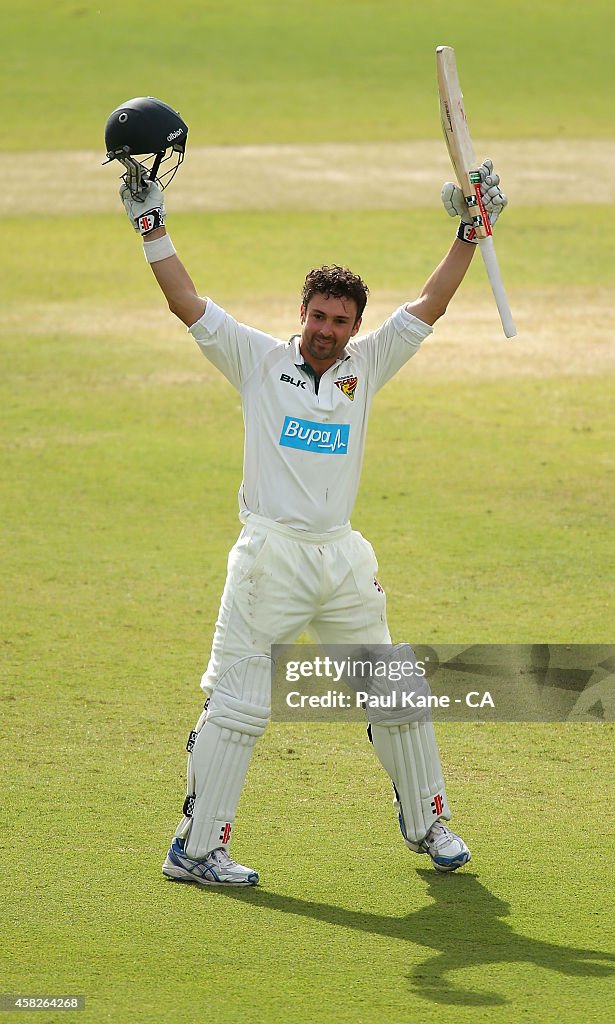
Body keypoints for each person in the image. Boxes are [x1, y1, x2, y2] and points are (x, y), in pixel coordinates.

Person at [116, 150, 507, 887]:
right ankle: (194, 850)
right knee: (236, 709)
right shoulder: (258, 361)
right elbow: (186, 303)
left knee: (397, 694)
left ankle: (429, 824)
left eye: (340, 320)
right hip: (269, 559)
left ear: (353, 325)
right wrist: (150, 227)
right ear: (301, 314)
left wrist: (469, 231)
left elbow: (429, 305)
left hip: (341, 561)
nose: (327, 329)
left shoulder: (367, 367)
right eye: (318, 316)